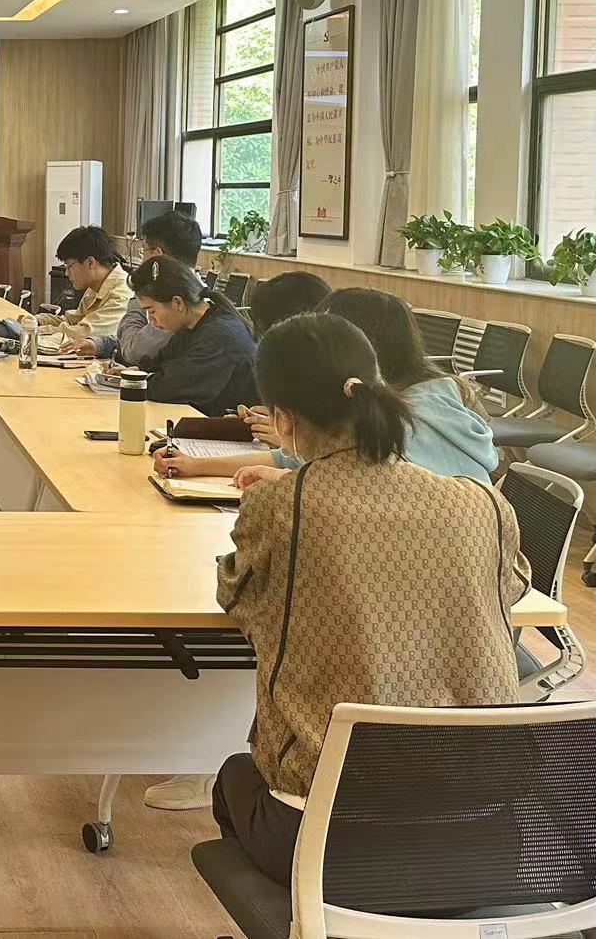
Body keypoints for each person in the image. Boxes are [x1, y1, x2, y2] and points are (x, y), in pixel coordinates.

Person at [213, 313, 528, 884]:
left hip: (331, 842)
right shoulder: (480, 503)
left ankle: (309, 914)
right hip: (486, 839)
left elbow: (241, 597)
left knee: (234, 779)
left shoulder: (285, 505)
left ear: (282, 419)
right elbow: (512, 588)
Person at [158, 285, 496, 486]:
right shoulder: (438, 395)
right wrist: (195, 465)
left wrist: (293, 443)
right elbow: (291, 463)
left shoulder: (394, 420)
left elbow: (355, 494)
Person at [123, 256, 256, 416]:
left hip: (234, 428)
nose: (151, 320)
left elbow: (169, 388)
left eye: (152, 311)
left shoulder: (221, 335)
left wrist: (133, 381)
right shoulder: (192, 326)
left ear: (177, 303)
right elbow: (159, 362)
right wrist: (134, 371)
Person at [68, 209, 200, 363]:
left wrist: (138, 292)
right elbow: (134, 340)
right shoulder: (186, 292)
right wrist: (101, 345)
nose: (142, 258)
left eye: (143, 250)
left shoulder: (177, 301)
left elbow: (135, 351)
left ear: (157, 255)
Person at [40, 225, 130, 345]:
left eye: (69, 266)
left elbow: (83, 333)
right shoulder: (95, 286)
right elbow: (73, 320)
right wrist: (36, 321)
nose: (66, 273)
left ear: (90, 263)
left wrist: (35, 330)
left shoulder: (122, 293)